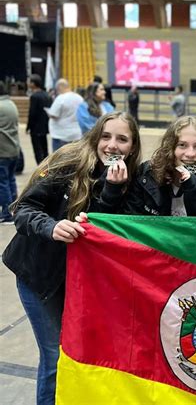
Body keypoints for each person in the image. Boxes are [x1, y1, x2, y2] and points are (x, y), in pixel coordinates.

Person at [2, 111, 141, 405]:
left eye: (122, 139)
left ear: (133, 147)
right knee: (54, 355)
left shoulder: (130, 180)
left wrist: (113, 190)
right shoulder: (68, 161)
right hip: (39, 276)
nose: (112, 146)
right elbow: (24, 210)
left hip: (79, 281)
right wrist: (51, 226)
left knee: (76, 353)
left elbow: (102, 231)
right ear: (95, 136)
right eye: (106, 136)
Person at [124, 116, 196, 217]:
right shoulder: (145, 177)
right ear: (170, 148)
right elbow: (131, 222)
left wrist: (195, 188)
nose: (191, 154)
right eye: (182, 145)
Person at [0, 81, 20, 224]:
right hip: (13, 149)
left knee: (3, 183)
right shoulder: (10, 104)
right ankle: (14, 210)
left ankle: (7, 215)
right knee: (10, 180)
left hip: (3, 150)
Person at [46, 78, 83, 151]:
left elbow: (54, 114)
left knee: (59, 160)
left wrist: (48, 113)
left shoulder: (61, 98)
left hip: (61, 134)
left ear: (60, 87)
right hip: (76, 134)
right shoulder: (79, 98)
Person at [26, 74, 52, 164]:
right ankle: (46, 170)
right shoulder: (47, 95)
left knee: (38, 151)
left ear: (33, 83)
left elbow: (32, 114)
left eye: (29, 81)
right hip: (45, 127)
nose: (27, 83)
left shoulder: (34, 96)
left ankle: (41, 173)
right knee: (45, 150)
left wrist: (28, 127)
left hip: (36, 128)